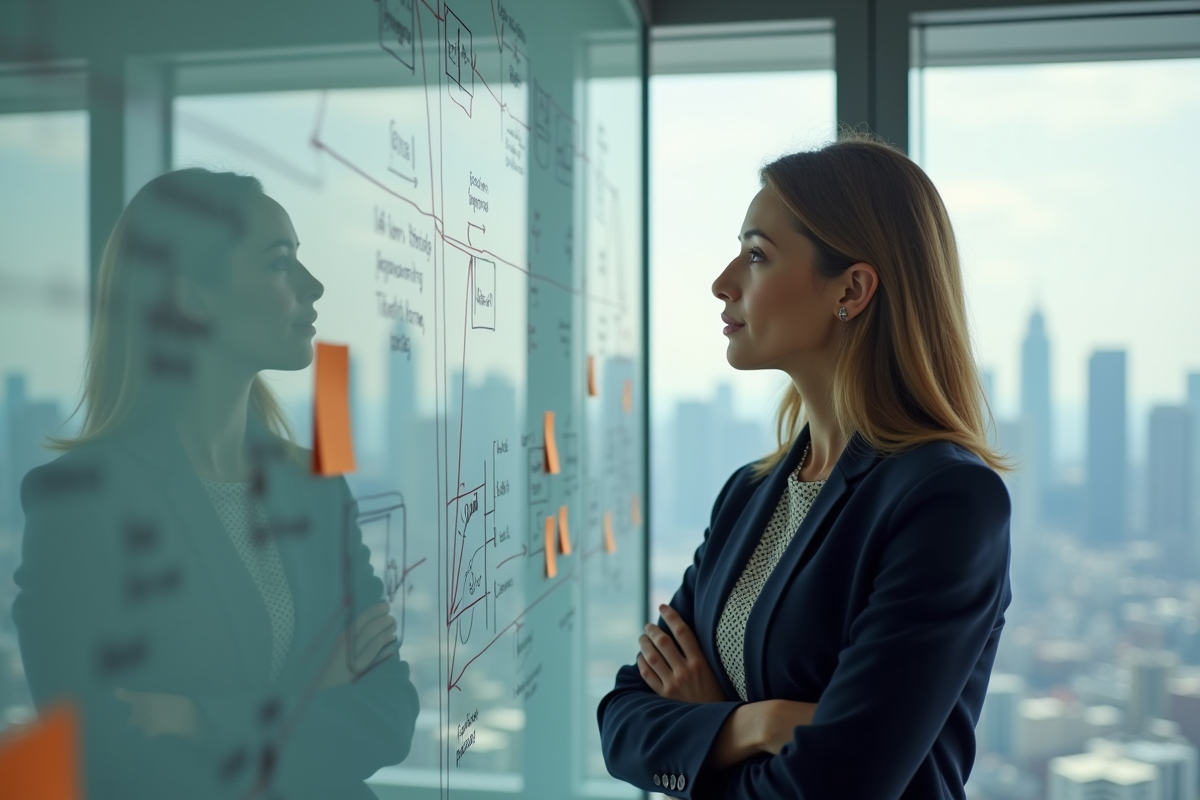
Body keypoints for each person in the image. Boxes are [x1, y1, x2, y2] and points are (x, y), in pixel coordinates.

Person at [597, 134, 1012, 799]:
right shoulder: (749, 494)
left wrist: (702, 726)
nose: (722, 283)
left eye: (756, 255)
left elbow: (840, 786)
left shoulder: (946, 501)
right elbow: (622, 719)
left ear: (850, 288)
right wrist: (752, 724)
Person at [12, 168, 419, 799]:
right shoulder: (80, 503)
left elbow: (390, 715)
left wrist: (198, 716)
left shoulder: (315, 487)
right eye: (279, 263)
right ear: (194, 298)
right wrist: (314, 695)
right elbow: (106, 757)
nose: (314, 286)